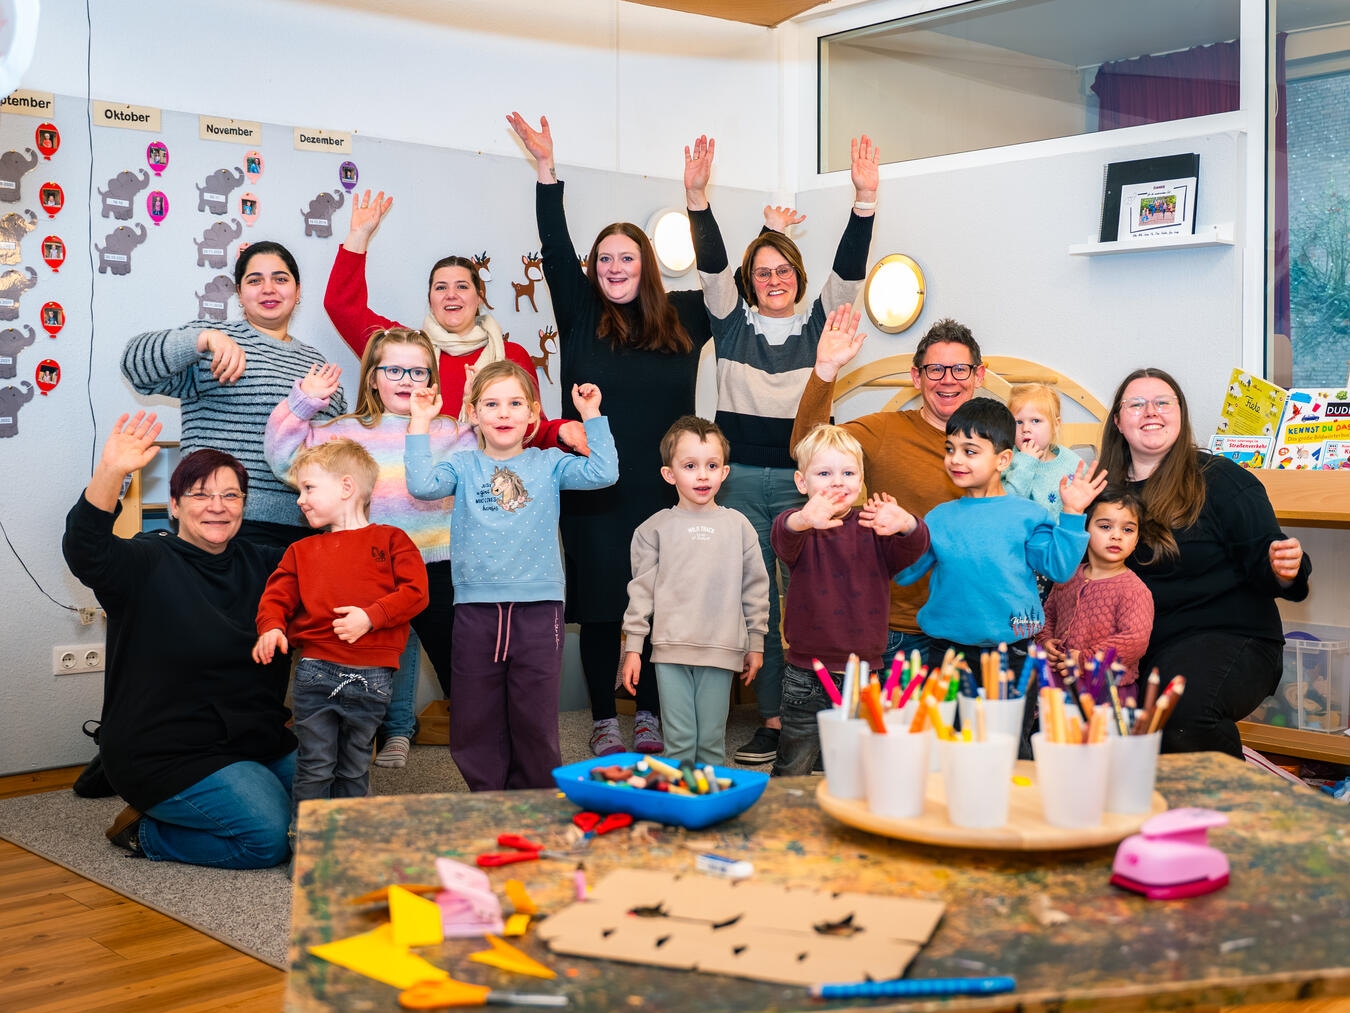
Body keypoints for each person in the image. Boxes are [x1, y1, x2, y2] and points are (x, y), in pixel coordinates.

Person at [507, 111, 715, 756]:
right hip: (594, 488)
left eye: (627, 258)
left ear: (645, 264)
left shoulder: (685, 314)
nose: (615, 267)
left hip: (666, 489)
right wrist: (546, 171)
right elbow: (551, 242)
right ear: (592, 268)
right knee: (601, 606)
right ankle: (603, 715)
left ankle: (649, 711)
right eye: (605, 259)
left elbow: (719, 276)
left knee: (659, 604)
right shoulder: (579, 312)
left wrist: (698, 204)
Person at [683, 132, 879, 767]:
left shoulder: (823, 320)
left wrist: (864, 201)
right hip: (738, 479)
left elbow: (848, 269)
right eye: (761, 271)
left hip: (810, 481)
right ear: (751, 280)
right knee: (756, 606)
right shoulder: (730, 321)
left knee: (815, 599)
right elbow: (711, 265)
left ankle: (822, 715)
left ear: (797, 276)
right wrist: (696, 199)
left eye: (782, 270)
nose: (772, 279)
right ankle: (771, 719)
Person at [63, 412, 296, 868]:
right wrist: (111, 471)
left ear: (244, 506)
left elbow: (336, 572)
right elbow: (85, 549)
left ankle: (247, 784)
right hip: (164, 748)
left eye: (231, 495)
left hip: (255, 735)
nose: (218, 506)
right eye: (201, 494)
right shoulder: (145, 562)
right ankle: (143, 831)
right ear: (174, 505)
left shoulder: (269, 564)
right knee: (268, 837)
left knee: (338, 809)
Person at [264, 328, 477, 768]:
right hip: (364, 570)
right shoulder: (341, 433)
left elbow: (483, 466)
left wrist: (474, 414)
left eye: (418, 371)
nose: (407, 379)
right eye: (394, 369)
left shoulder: (447, 430)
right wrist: (303, 402)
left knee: (459, 662)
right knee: (372, 660)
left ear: (432, 379)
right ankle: (385, 734)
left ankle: (480, 743)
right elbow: (283, 457)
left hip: (437, 564)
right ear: (373, 378)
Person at [405, 360, 618, 790]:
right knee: (475, 715)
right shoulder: (462, 466)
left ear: (532, 416)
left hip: (538, 611)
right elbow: (423, 485)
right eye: (492, 403)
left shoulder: (550, 464)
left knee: (534, 714)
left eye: (515, 403)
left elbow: (604, 472)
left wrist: (592, 417)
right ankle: (488, 798)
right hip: (474, 610)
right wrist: (420, 421)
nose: (503, 413)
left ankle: (535, 797)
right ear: (473, 412)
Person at [1098, 367, 1311, 756]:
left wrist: (1284, 567)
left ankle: (1225, 810)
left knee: (1179, 709)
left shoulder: (1220, 479)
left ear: (1180, 414)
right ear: (1117, 420)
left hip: (1231, 637)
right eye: (1136, 404)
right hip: (1140, 648)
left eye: (1163, 402)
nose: (1151, 411)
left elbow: (1270, 561)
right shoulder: (1099, 491)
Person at [893, 398, 1105, 754]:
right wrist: (905, 531)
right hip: (947, 654)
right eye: (950, 449)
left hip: (1014, 655)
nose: (956, 459)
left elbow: (1059, 567)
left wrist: (1071, 513)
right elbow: (905, 575)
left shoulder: (1027, 514)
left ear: (1003, 460)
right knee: (951, 745)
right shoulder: (939, 517)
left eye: (970, 450)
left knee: (1008, 747)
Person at [121, 241, 347, 551]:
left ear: (297, 290)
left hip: (304, 530)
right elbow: (135, 367)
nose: (268, 289)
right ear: (239, 293)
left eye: (280, 279)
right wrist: (204, 338)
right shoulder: (214, 342)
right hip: (221, 523)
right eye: (255, 280)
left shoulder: (317, 364)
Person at [793, 306, 983, 668]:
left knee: (963, 726)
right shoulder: (885, 431)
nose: (948, 380)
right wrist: (825, 371)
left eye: (960, 369)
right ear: (916, 376)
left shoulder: (998, 443)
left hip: (970, 623)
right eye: (935, 370)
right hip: (899, 628)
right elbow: (806, 447)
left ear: (979, 375)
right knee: (894, 725)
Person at [322, 190, 582, 451]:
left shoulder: (511, 355)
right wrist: (358, 236)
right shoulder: (405, 351)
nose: (451, 295)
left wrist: (561, 430)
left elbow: (531, 428)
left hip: (486, 484)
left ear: (479, 297)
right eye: (440, 287)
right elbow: (342, 306)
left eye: (462, 286)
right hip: (413, 483)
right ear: (430, 298)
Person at [253, 439, 429, 807]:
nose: (300, 499)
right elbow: (277, 596)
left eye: (309, 488)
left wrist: (370, 616)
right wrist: (270, 626)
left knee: (353, 765)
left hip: (374, 677)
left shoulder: (393, 540)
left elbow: (416, 592)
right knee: (315, 764)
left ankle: (351, 839)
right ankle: (308, 845)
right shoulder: (301, 550)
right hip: (316, 672)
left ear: (347, 487)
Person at [771, 424, 930, 776]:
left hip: (863, 670)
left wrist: (905, 524)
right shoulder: (799, 526)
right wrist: (802, 519)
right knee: (794, 759)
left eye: (848, 473)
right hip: (805, 671)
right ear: (802, 483)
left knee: (857, 764)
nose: (837, 482)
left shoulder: (874, 527)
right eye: (824, 473)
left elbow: (914, 550)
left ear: (861, 481)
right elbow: (782, 536)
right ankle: (781, 819)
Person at [621, 416, 770, 767]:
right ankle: (680, 812)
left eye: (712, 465)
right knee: (680, 743)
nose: (703, 475)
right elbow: (640, 593)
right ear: (669, 474)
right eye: (690, 466)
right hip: (670, 650)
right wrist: (633, 649)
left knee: (711, 743)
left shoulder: (739, 527)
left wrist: (756, 642)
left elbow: (756, 590)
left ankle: (711, 811)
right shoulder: (653, 530)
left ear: (725, 472)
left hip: (721, 648)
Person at [1037, 487, 1155, 701]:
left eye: (1128, 530)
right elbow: (1050, 614)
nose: (1116, 536)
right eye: (1105, 526)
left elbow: (1134, 640)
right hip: (1060, 689)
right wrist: (1046, 641)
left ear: (1137, 540)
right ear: (1085, 530)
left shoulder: (1134, 590)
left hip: (1108, 694)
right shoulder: (1068, 575)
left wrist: (1085, 659)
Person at [1003, 382, 1085, 518]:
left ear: (1055, 425)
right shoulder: (1005, 460)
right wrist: (1025, 462)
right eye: (1018, 422)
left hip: (1059, 537)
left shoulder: (1073, 464)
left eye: (1035, 421)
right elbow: (1005, 506)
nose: (1025, 429)